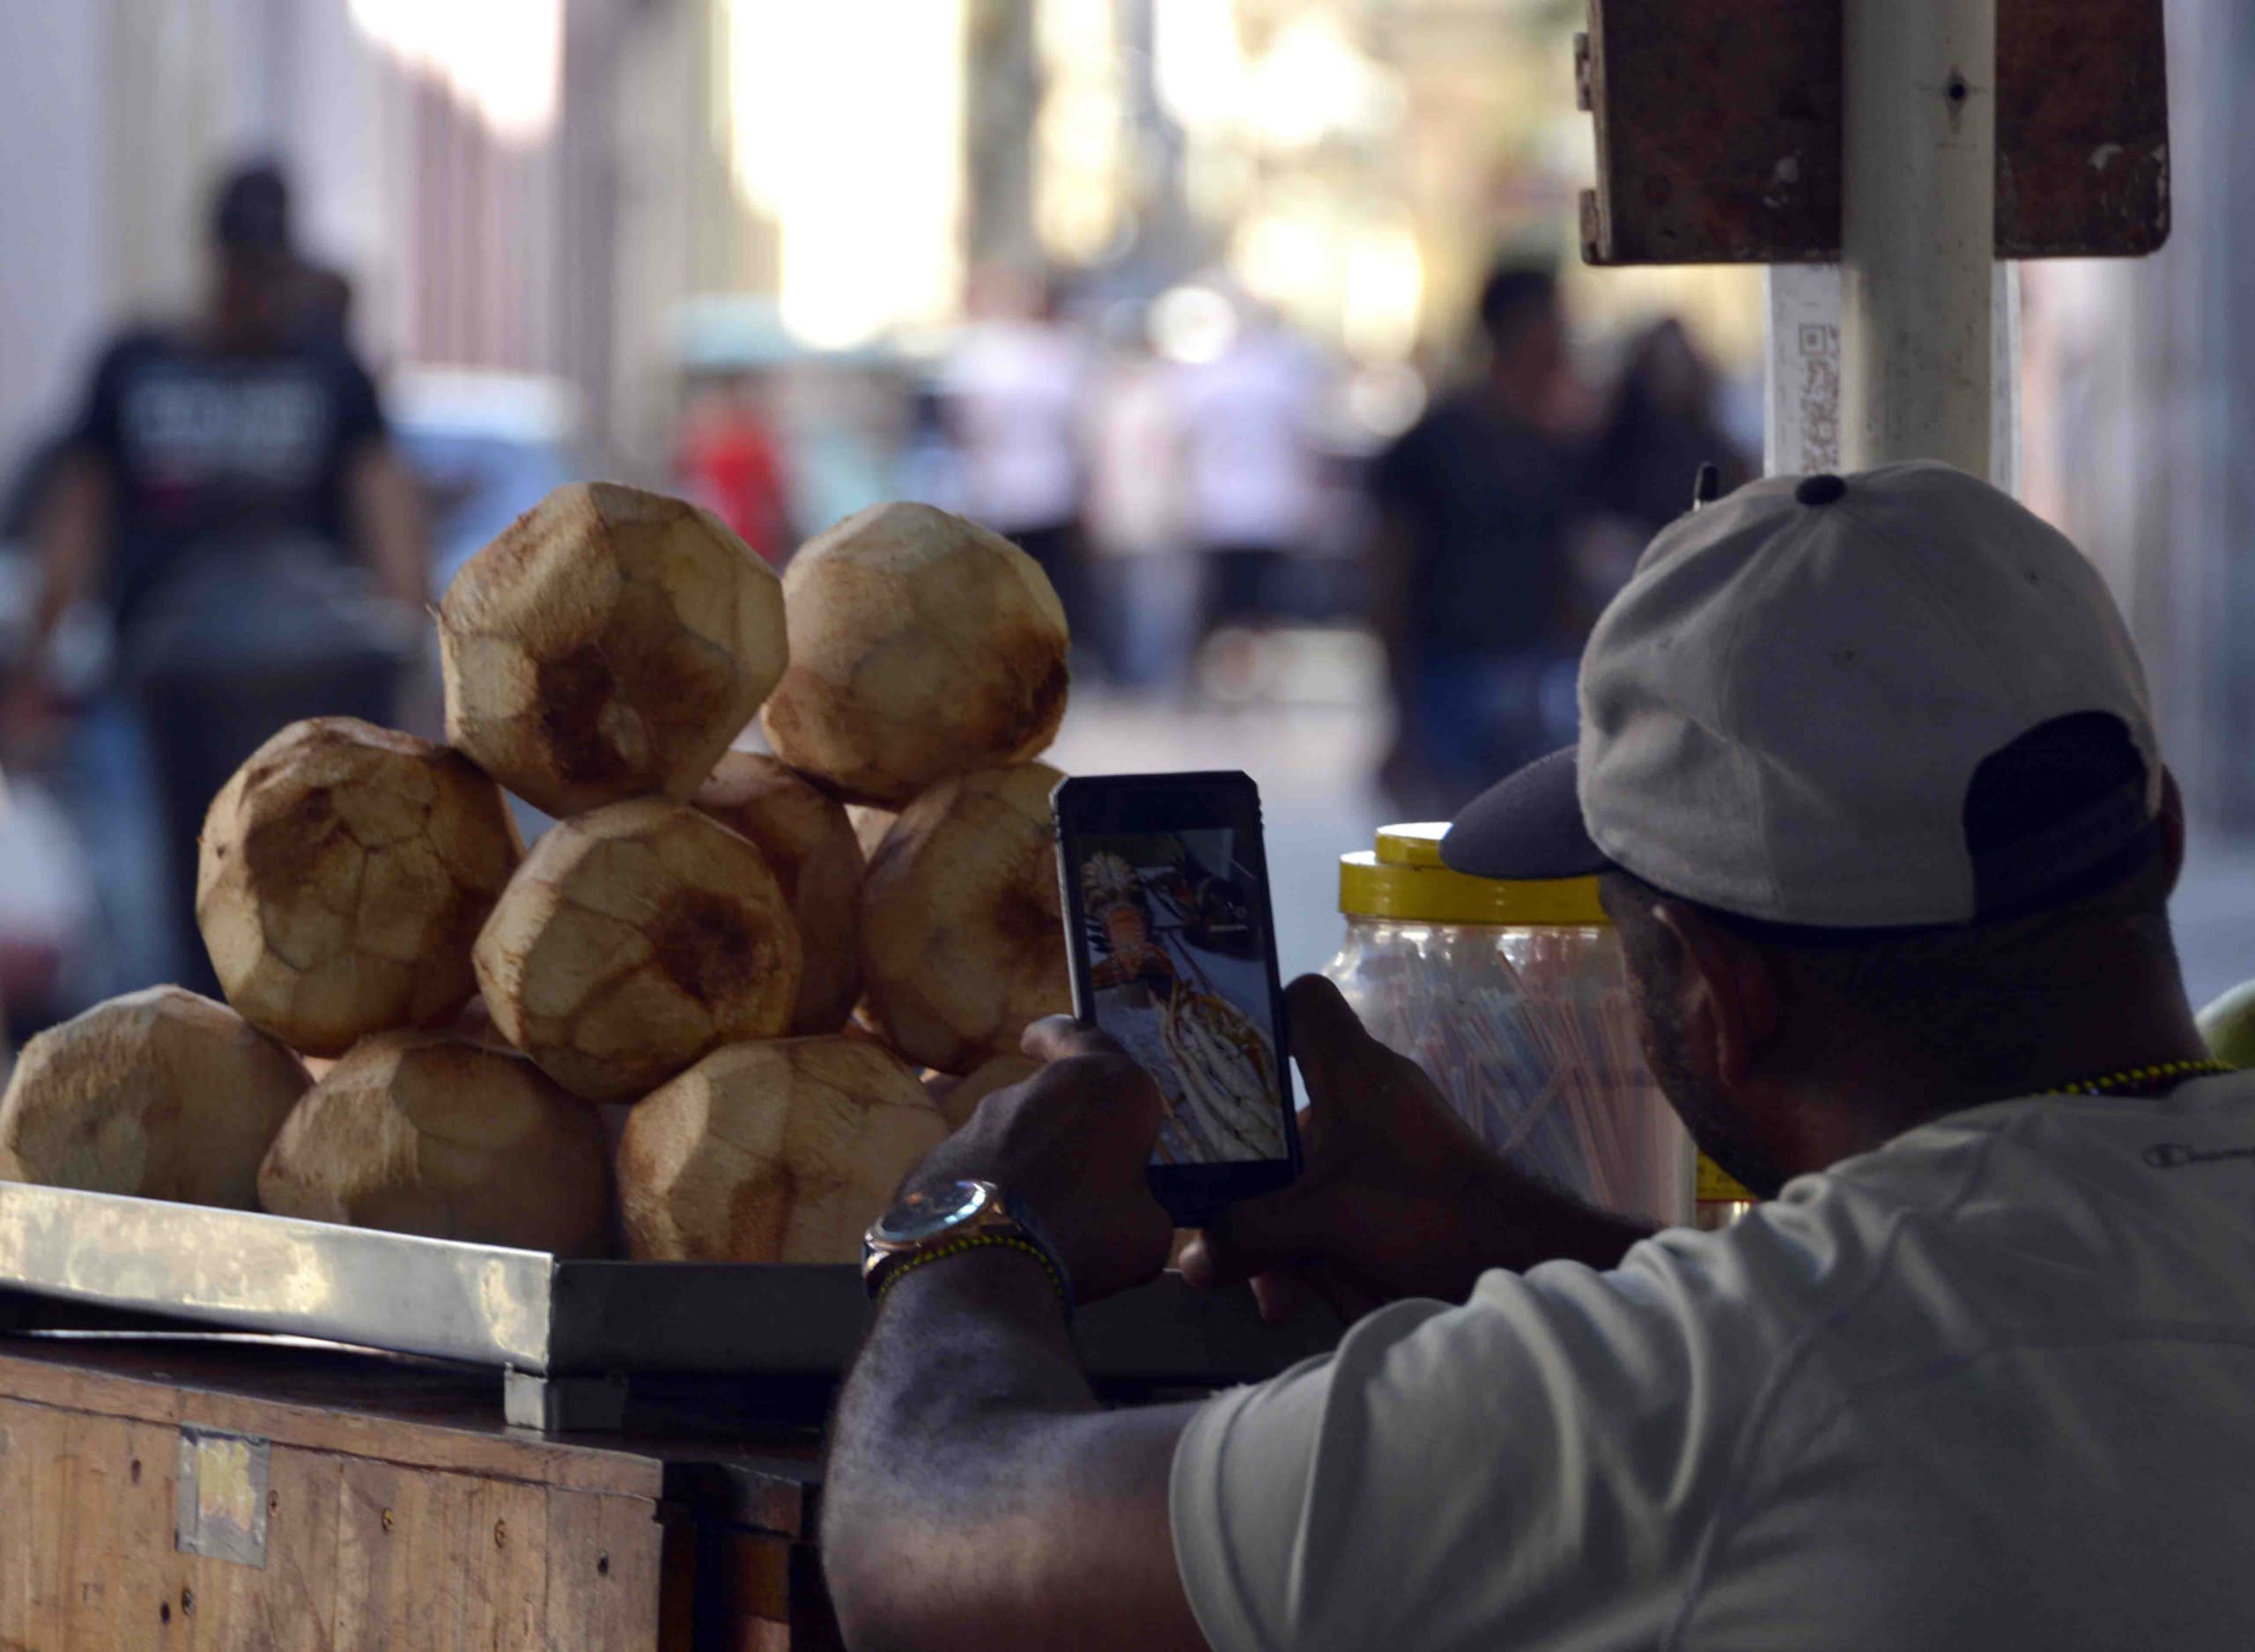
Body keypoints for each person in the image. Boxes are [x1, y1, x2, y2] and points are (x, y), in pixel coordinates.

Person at [821, 462, 2255, 1649]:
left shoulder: (1700, 1405)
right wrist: (1511, 1234)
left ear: (1719, 993)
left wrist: (978, 1224)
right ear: (2164, 837)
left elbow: (928, 1545)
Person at [3, 159, 426, 998]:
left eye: (268, 271)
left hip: (308, 694)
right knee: (153, 920)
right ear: (214, 259)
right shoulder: (136, 364)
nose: (253, 290)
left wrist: (413, 650)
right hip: (158, 683)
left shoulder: (329, 371)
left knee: (306, 923)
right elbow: (78, 515)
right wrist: (40, 662)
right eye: (242, 268)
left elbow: (387, 512)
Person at [1366, 262, 1599, 818]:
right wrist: (1401, 714)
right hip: (1451, 676)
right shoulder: (1434, 444)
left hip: (1537, 672)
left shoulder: (1559, 446)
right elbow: (1389, 576)